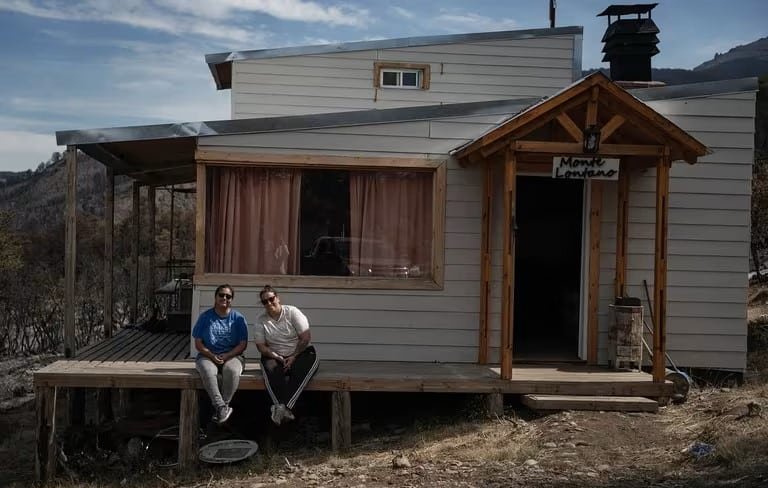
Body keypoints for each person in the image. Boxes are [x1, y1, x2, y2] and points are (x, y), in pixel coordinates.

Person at [254, 285, 319, 425]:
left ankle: (283, 407)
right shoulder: (260, 319)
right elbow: (261, 346)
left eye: (271, 299)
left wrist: (294, 356)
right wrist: (276, 356)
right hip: (276, 355)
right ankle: (283, 408)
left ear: (277, 298)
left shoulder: (292, 312)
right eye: (265, 301)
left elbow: (305, 338)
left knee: (300, 372)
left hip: (300, 352)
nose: (269, 303)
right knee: (272, 371)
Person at [192, 284, 248, 425]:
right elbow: (198, 343)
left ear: (232, 299)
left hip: (233, 355)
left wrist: (228, 355)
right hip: (208, 355)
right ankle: (220, 406)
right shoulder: (205, 317)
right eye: (221, 295)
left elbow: (242, 344)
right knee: (208, 370)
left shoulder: (238, 318)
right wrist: (211, 355)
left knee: (232, 370)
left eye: (228, 296)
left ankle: (224, 406)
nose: (224, 298)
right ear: (215, 297)